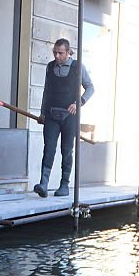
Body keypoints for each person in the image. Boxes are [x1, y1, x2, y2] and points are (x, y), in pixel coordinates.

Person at [34, 38, 94, 197]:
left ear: (68, 52)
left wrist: (78, 102)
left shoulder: (77, 67)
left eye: (60, 53)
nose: (57, 56)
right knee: (49, 149)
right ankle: (43, 184)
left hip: (70, 117)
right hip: (51, 115)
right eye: (55, 52)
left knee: (66, 151)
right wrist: (42, 113)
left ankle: (64, 185)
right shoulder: (50, 67)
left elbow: (90, 88)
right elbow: (46, 91)